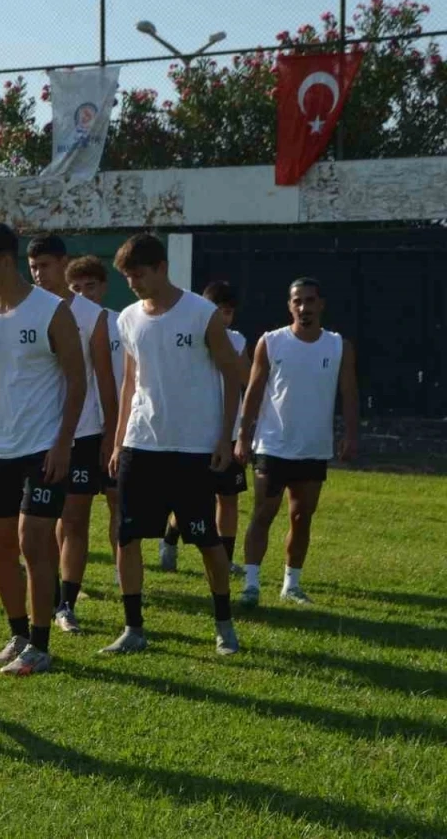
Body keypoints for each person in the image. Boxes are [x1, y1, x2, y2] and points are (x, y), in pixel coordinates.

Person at [0, 223, 87, 676]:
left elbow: (77, 380)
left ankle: (41, 646)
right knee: (2, 546)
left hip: (44, 448)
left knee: (33, 542)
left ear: (6, 262)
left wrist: (64, 443)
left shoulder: (51, 310)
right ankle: (19, 635)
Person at [105, 233, 244, 656]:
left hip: (192, 449)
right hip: (141, 443)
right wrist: (119, 442)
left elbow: (232, 374)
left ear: (162, 268)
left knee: (206, 540)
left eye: (139, 275)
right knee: (127, 536)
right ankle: (133, 628)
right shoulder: (128, 318)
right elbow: (130, 381)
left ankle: (224, 626)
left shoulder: (202, 313)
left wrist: (225, 437)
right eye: (128, 277)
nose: (133, 284)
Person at [236, 278, 358, 606]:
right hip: (273, 445)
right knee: (263, 513)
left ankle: (291, 585)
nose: (304, 307)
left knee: (302, 517)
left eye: (310, 300)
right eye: (297, 301)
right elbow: (254, 391)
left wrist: (350, 435)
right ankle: (251, 584)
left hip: (313, 448)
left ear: (321, 304)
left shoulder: (338, 346)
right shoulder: (271, 342)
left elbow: (349, 393)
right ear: (289, 306)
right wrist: (243, 437)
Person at [26, 235, 117, 634]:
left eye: (44, 266)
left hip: (84, 432)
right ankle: (47, 597)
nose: (38, 275)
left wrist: (110, 434)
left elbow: (105, 379)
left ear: (63, 264)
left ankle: (66, 604)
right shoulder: (27, 308)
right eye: (33, 267)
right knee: (40, 523)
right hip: (36, 435)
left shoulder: (92, 315)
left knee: (75, 519)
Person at [159, 281, 251, 575]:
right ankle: (170, 537)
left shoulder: (237, 341)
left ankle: (226, 559)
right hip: (196, 433)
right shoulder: (189, 337)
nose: (223, 317)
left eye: (228, 312)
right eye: (217, 310)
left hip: (228, 432)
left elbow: (247, 379)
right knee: (193, 499)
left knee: (228, 497)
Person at [65, 255, 125, 564]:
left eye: (90, 286)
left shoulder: (122, 323)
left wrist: (116, 429)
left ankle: (120, 569)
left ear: (103, 287)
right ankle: (66, 576)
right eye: (76, 288)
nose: (84, 294)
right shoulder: (62, 323)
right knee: (72, 511)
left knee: (118, 501)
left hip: (119, 428)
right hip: (82, 428)